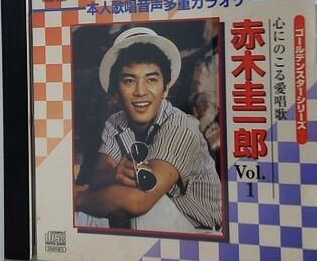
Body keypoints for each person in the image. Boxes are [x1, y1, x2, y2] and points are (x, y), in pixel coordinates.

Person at [75, 27, 222, 232]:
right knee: (96, 208)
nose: (141, 92)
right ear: (115, 93)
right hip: (156, 223)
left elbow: (138, 201)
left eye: (151, 80)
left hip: (200, 232)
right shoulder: (116, 122)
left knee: (135, 197)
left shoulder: (181, 128)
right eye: (129, 81)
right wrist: (114, 174)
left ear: (166, 89)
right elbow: (98, 178)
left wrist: (78, 198)